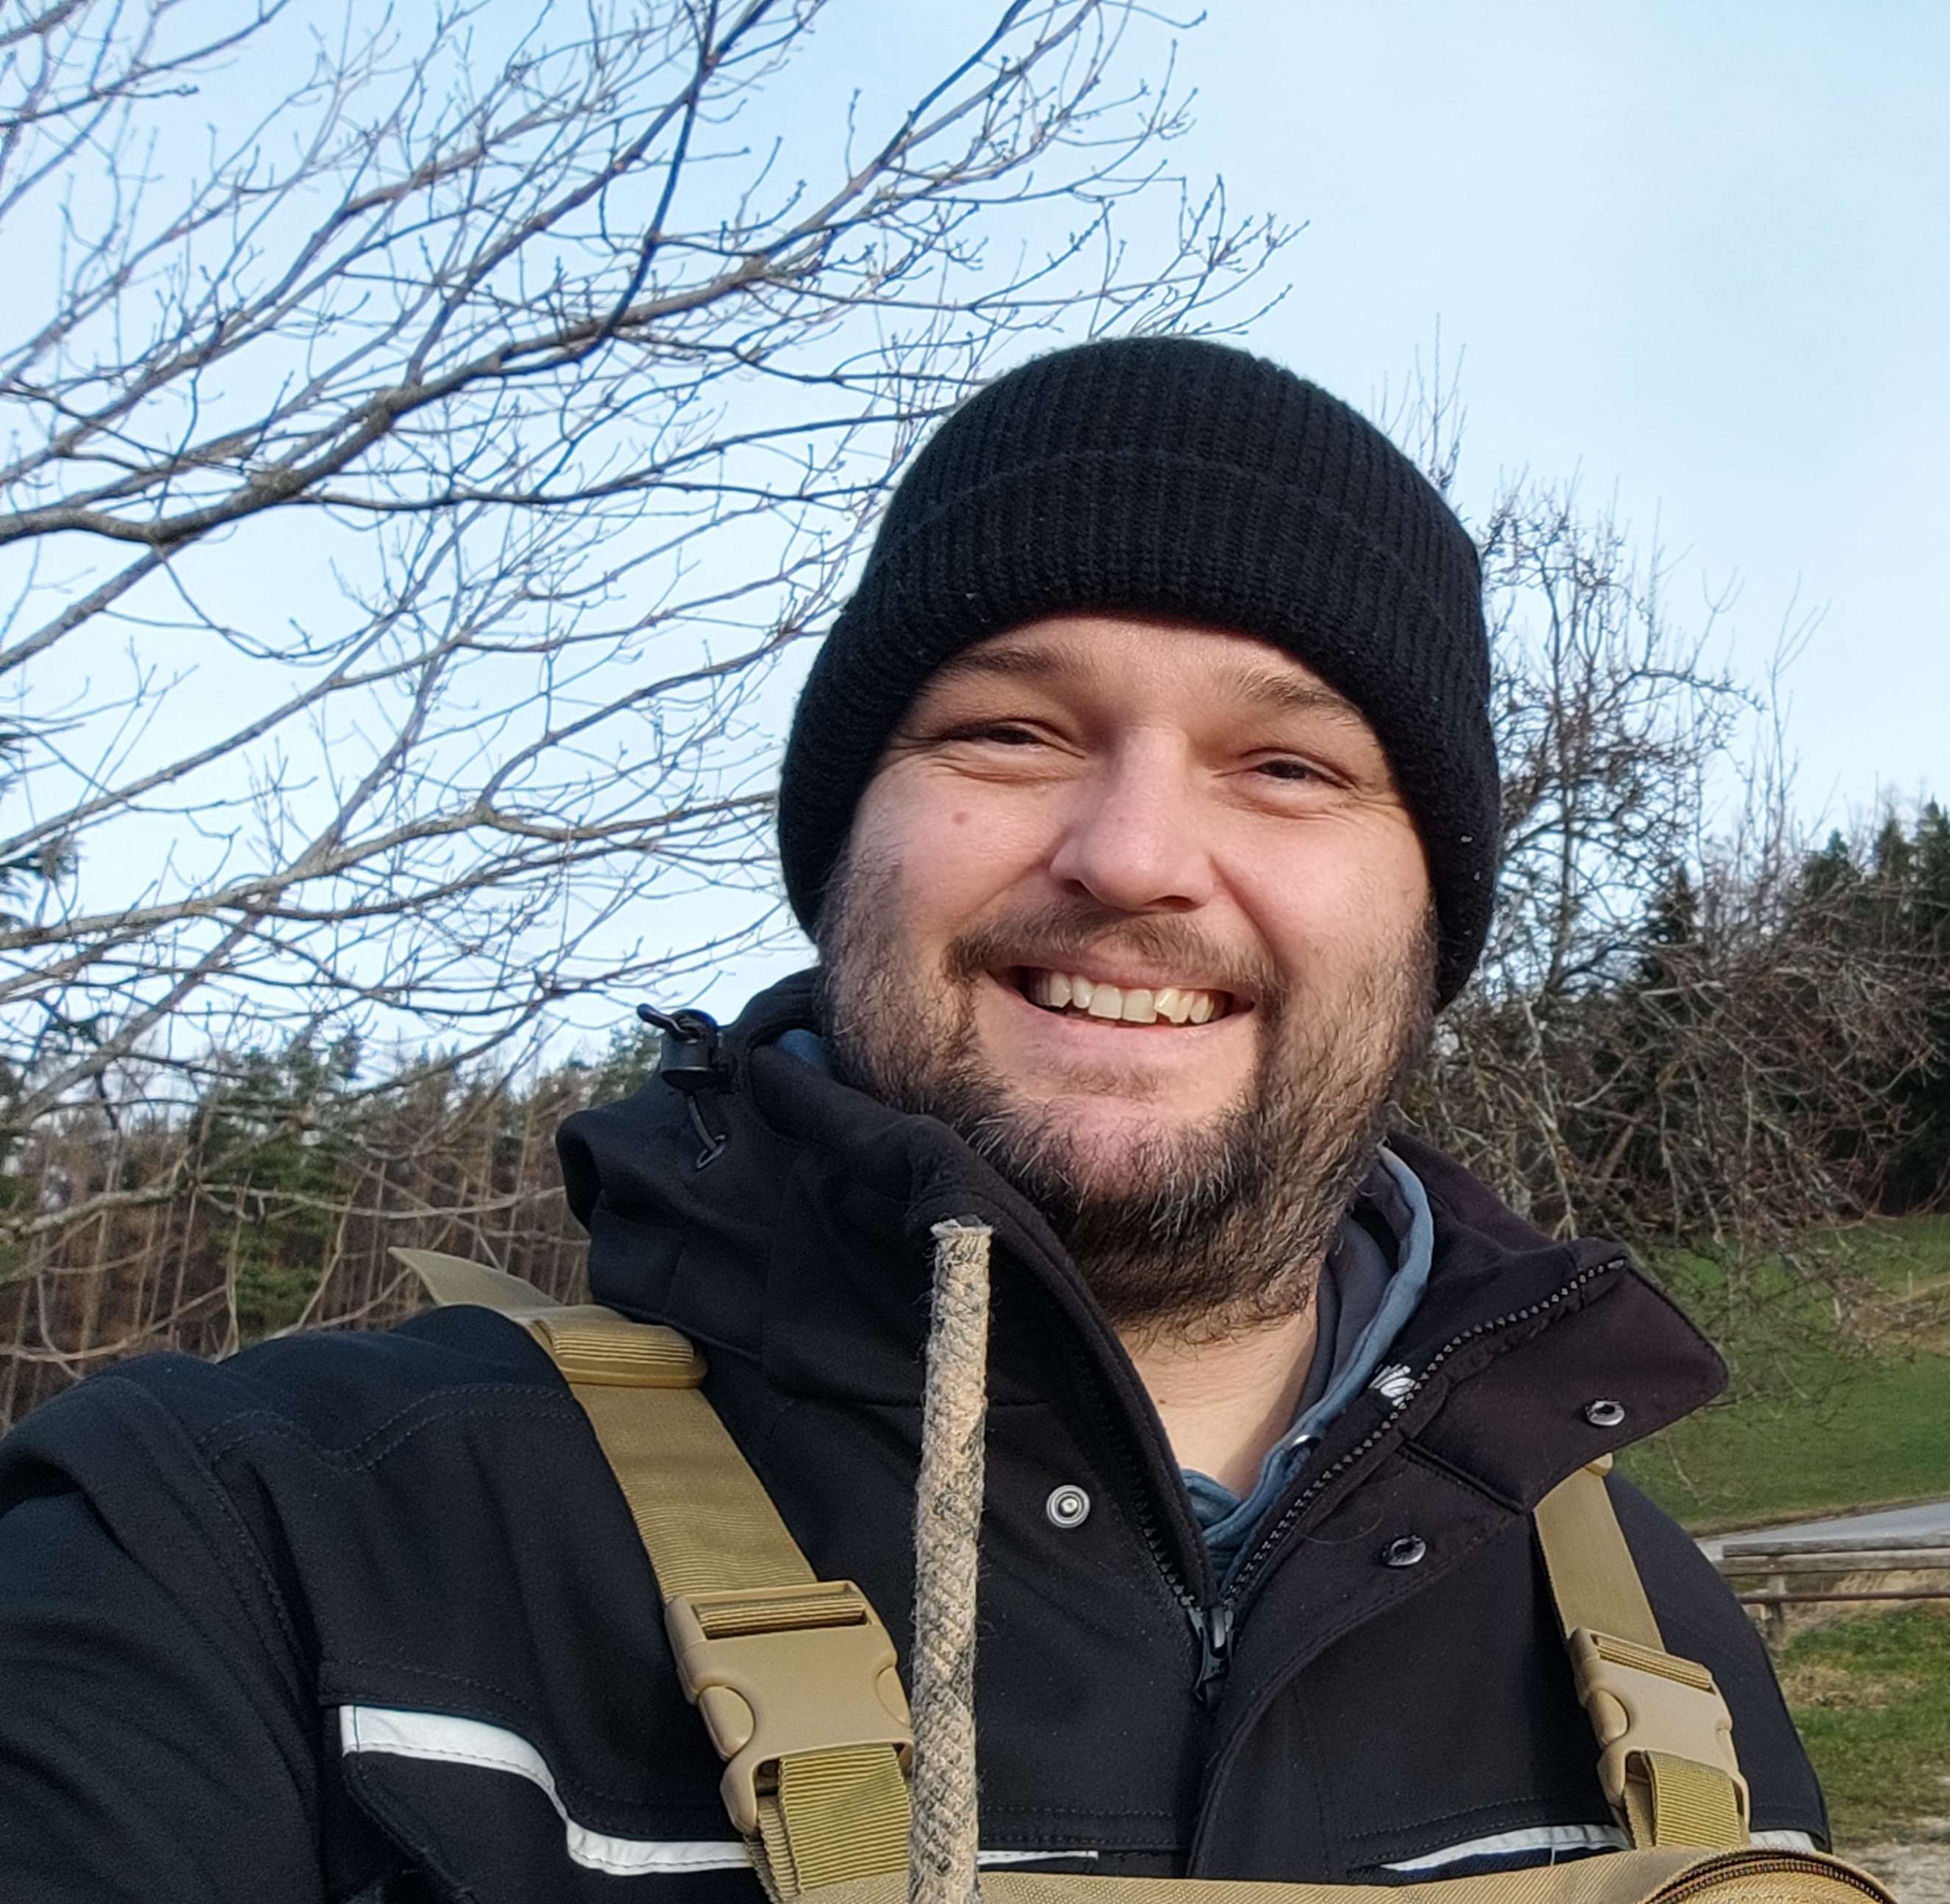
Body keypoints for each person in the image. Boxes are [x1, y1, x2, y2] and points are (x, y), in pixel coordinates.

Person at [0, 338, 1828, 1898]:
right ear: (844, 848)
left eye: (1286, 766)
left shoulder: (1658, 1647)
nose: (1132, 855)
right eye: (1011, 732)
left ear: (1430, 924)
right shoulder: (254, 1552)